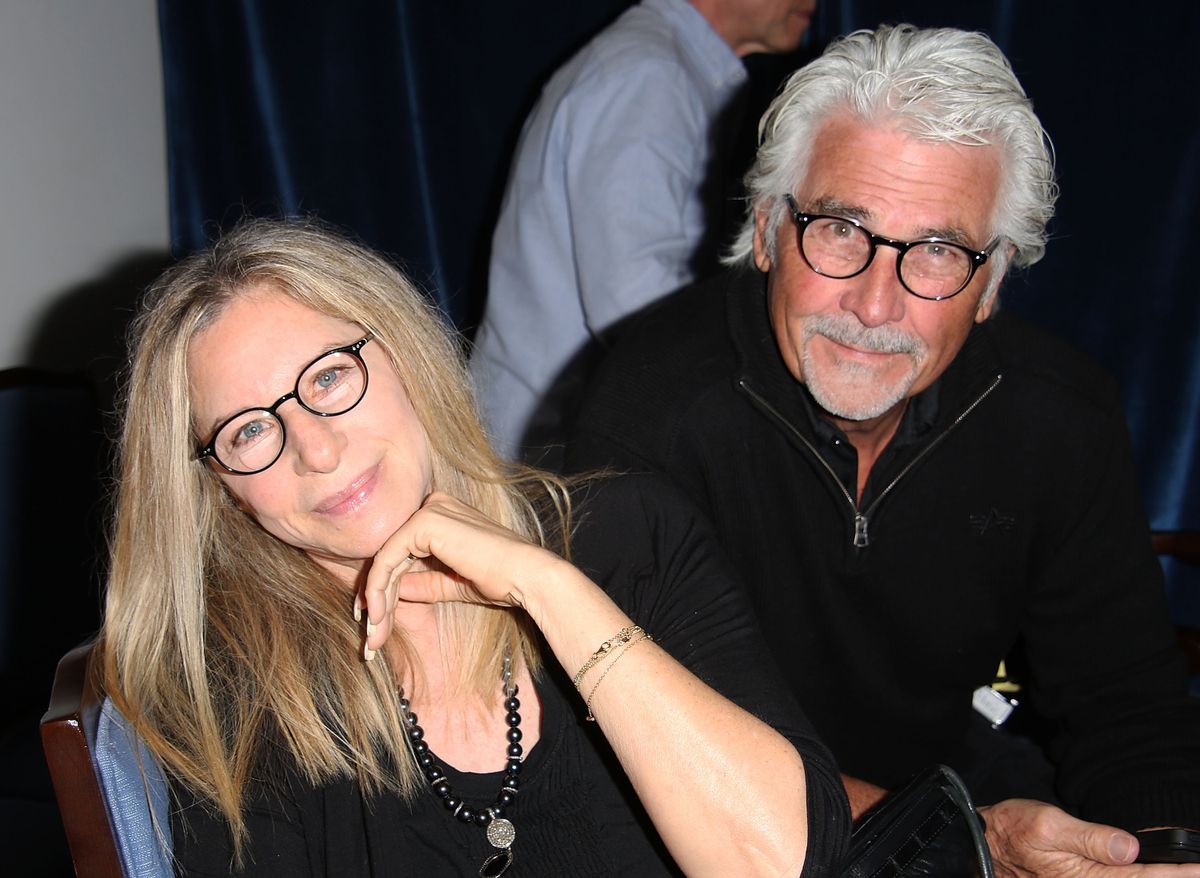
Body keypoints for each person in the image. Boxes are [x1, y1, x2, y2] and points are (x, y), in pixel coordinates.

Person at [567, 23, 1200, 877]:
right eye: (839, 229)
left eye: (938, 252)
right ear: (765, 232)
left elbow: (1124, 710)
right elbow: (647, 740)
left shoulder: (1059, 416)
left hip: (963, 793)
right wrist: (957, 844)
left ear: (992, 283)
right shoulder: (649, 412)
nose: (873, 305)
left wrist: (1158, 852)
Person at [92, 218, 848, 877]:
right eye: (250, 429)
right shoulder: (235, 710)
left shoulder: (627, 536)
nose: (315, 450)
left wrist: (550, 591)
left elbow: (786, 862)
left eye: (328, 377)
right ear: (219, 487)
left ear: (406, 357)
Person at [470, 0, 816, 462]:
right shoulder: (649, 77)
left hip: (557, 450)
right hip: (557, 465)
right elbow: (634, 300)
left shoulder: (659, 66)